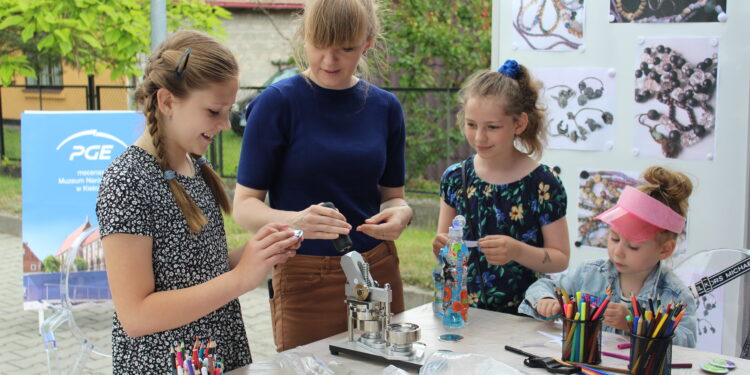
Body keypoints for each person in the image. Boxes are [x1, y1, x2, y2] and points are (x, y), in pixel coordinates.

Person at [96, 30, 302, 374]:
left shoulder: (194, 164)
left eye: (227, 111)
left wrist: (258, 252)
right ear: (166, 102)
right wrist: (241, 279)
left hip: (216, 354)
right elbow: (135, 315)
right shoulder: (127, 181)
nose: (224, 124)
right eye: (213, 111)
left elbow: (198, 270)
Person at [232, 0, 412, 351]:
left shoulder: (386, 108)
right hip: (304, 275)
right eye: (319, 45)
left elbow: (394, 196)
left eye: (345, 48)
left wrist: (401, 214)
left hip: (377, 268)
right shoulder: (276, 104)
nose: (330, 60)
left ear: (367, 43)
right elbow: (244, 207)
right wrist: (297, 221)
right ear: (304, 37)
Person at [431, 60, 570, 314]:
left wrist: (517, 250)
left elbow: (560, 259)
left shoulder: (543, 183)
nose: (479, 137)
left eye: (492, 127)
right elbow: (445, 250)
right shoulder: (454, 178)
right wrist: (441, 247)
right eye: (471, 124)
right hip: (462, 315)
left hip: (524, 316)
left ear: (519, 124)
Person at [520, 166, 698, 347]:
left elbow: (687, 343)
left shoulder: (675, 295)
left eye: (633, 246)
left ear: (665, 250)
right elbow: (543, 286)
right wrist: (546, 300)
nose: (618, 251)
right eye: (614, 238)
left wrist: (635, 323)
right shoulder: (589, 274)